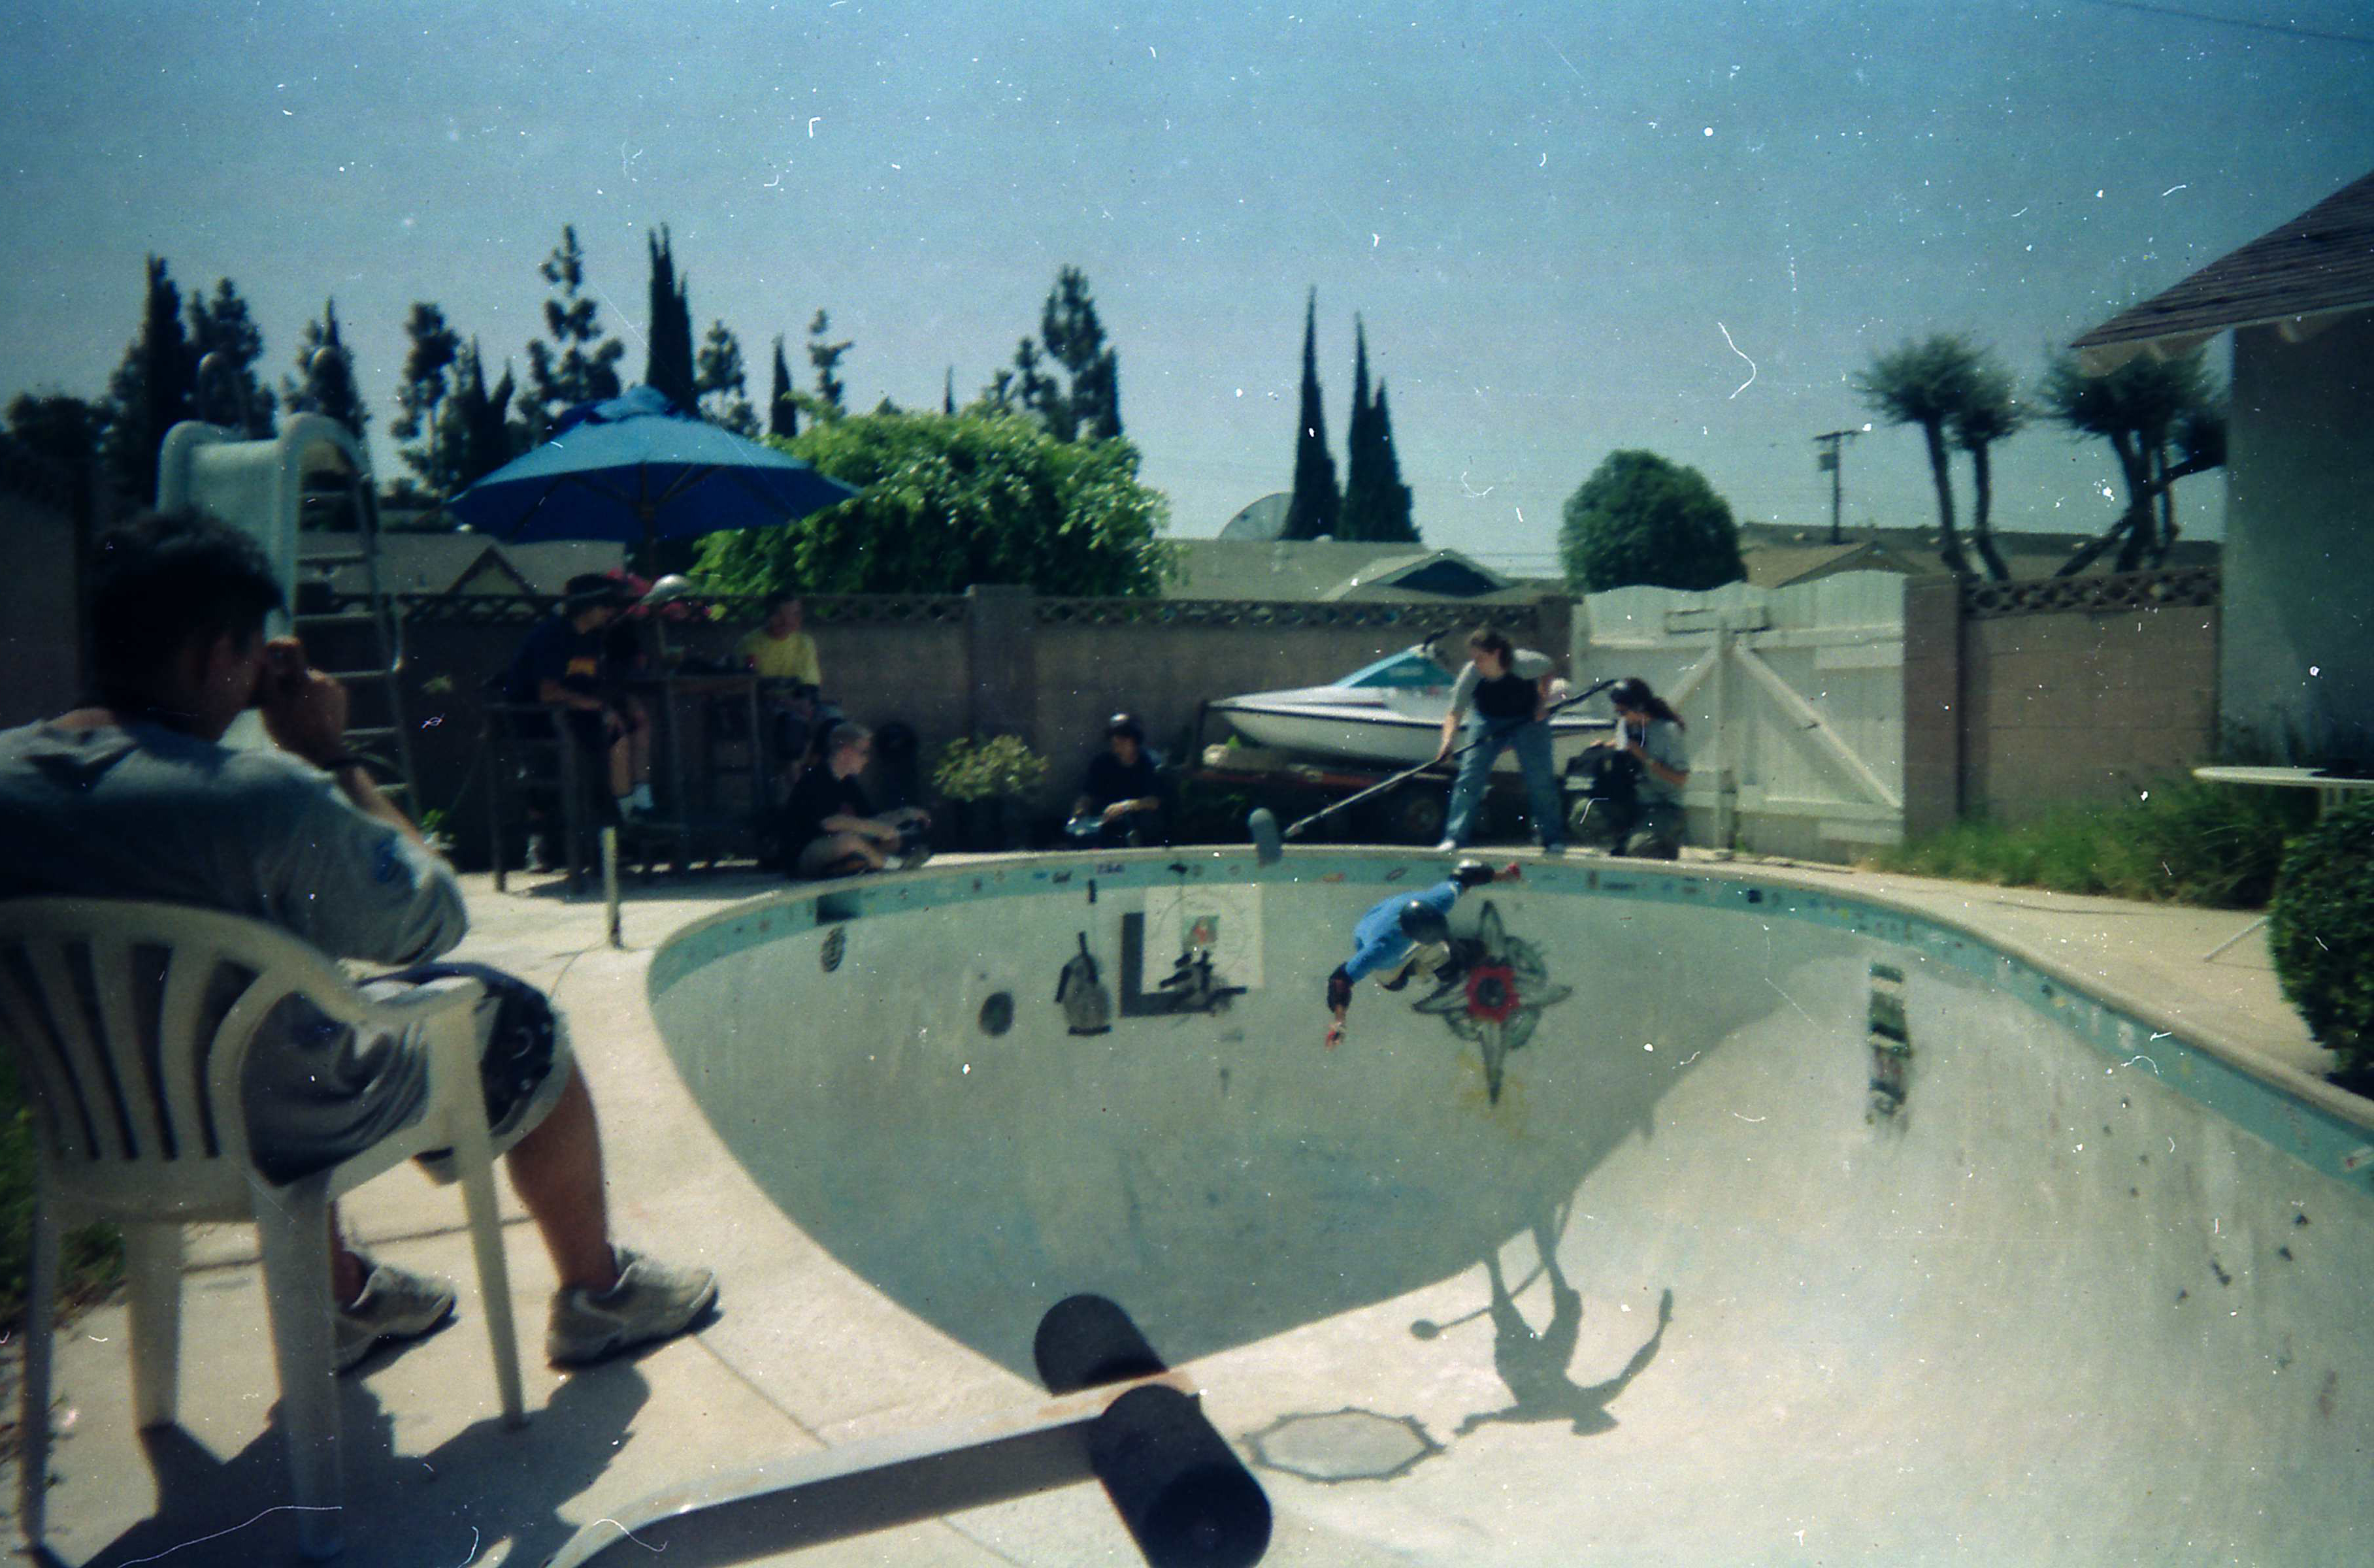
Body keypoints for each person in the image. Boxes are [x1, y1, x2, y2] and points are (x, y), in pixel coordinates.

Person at [0, 512, 719, 1368]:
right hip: (286, 1126)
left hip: (95, 1132)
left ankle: (342, 1298)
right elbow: (428, 922)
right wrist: (333, 755)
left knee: (264, 1006)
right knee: (519, 1016)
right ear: (207, 656)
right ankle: (600, 1294)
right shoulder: (255, 798)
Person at [504, 573, 655, 825]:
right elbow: (548, 692)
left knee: (627, 727)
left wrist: (619, 704)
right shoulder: (553, 636)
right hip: (535, 717)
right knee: (610, 735)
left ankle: (634, 810)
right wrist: (601, 707)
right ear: (587, 606)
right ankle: (626, 815)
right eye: (606, 605)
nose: (611, 612)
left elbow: (588, 684)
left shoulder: (592, 639)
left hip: (572, 712)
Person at [1324, 858, 1521, 1047]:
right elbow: (1340, 979)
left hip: (1402, 917)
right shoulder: (1380, 950)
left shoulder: (1438, 900)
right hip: (1383, 947)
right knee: (1395, 984)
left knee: (1449, 967)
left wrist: (1504, 875)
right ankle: (1410, 968)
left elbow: (1464, 876)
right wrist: (1339, 1020)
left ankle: (1448, 953)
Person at [1433, 627, 1567, 857]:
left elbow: (1549, 668)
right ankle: (1453, 838)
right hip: (1487, 720)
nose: (1476, 664)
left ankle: (1553, 840)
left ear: (1496, 653)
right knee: (1470, 777)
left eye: (1480, 658)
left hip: (1528, 721)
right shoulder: (1471, 674)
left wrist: (1542, 702)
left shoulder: (1524, 663)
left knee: (1540, 780)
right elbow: (1454, 713)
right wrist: (1447, 744)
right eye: (1473, 659)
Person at [778, 721, 931, 878]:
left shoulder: (848, 783)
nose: (867, 759)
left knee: (893, 839)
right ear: (846, 751)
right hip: (804, 856)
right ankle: (896, 866)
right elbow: (831, 823)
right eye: (863, 752)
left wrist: (905, 814)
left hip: (835, 849)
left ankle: (856, 865)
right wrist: (875, 829)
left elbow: (871, 819)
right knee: (850, 842)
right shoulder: (816, 779)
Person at [737, 593, 829, 799]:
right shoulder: (750, 644)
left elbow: (809, 685)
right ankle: (800, 800)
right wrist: (792, 705)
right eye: (787, 614)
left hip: (800, 705)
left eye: (797, 614)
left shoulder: (805, 643)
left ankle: (809, 780)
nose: (794, 620)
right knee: (791, 727)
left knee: (833, 724)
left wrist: (804, 705)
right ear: (772, 616)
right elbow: (750, 688)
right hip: (766, 710)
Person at [1594, 676, 1690, 858]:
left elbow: (1681, 779)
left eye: (1623, 711)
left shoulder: (1668, 731)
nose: (1620, 716)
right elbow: (1623, 750)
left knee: (1638, 850)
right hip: (1635, 802)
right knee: (1583, 815)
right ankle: (1628, 839)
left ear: (1638, 708)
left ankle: (1660, 843)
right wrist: (1605, 747)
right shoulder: (1627, 727)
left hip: (1665, 806)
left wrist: (1646, 759)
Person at [1067, 712, 1166, 847]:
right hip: (1107, 821)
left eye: (1123, 736)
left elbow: (1155, 801)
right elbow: (1087, 795)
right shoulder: (1102, 763)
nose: (1116, 740)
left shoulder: (1151, 763)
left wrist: (1125, 807)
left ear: (1134, 739)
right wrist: (1080, 811)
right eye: (1113, 736)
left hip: (1138, 821)